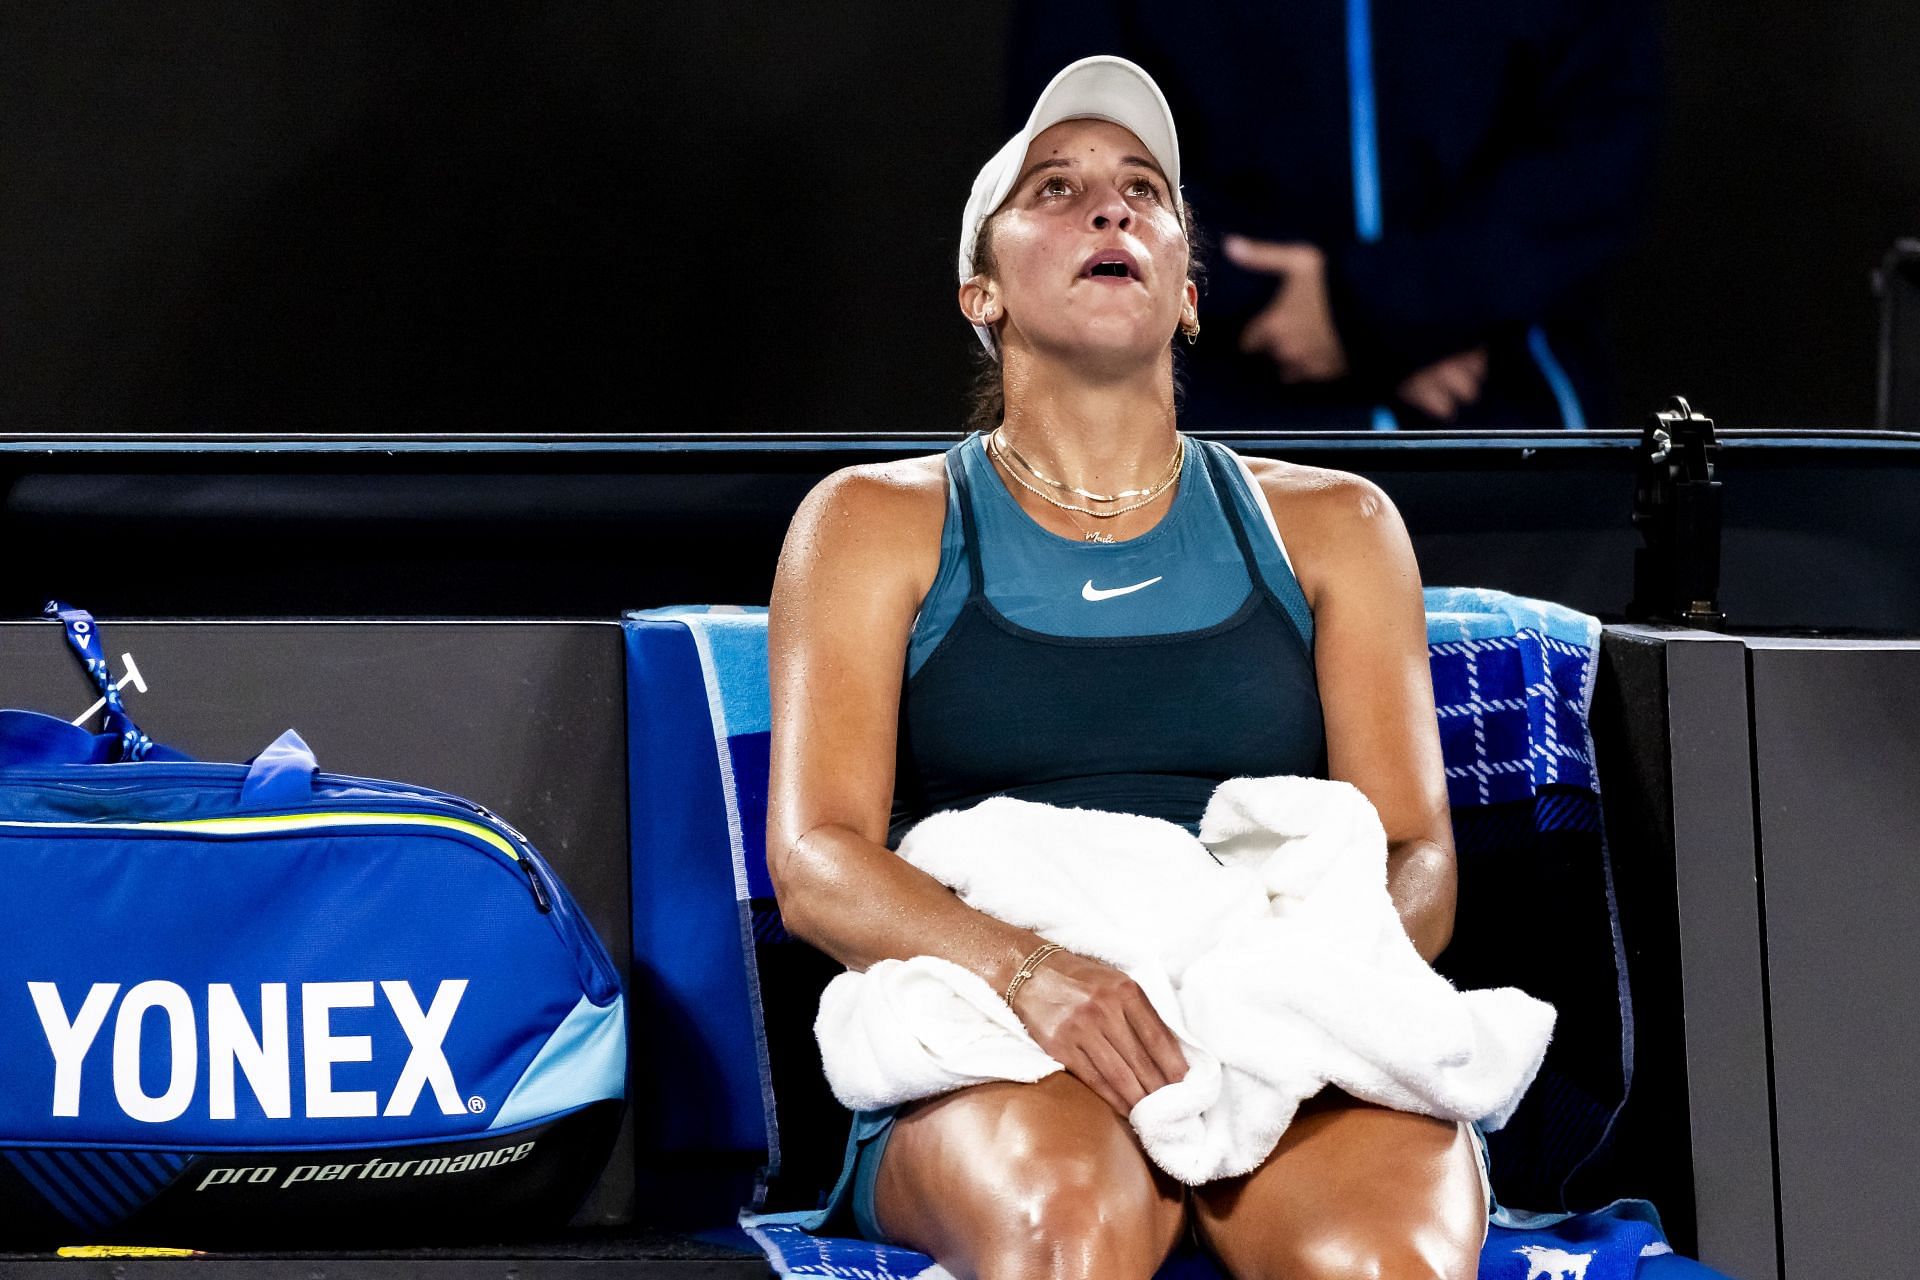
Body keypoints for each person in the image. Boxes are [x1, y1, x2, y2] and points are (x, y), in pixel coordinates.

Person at [766, 57, 1486, 1280]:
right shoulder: (869, 521)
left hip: (1278, 1022)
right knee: (1067, 1231)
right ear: (978, 290)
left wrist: (1268, 994)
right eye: (1056, 188)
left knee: (1383, 1262)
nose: (1111, 210)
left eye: (1143, 191)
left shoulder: (1340, 525)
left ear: (1190, 293)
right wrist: (1037, 973)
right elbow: (818, 860)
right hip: (1007, 1029)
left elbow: (1417, 855)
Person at [1009, 0, 1661, 431]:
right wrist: (1299, 307)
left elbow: (1599, 148)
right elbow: (1066, 138)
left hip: (1509, 435)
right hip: (1212, 427)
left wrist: (1380, 311)